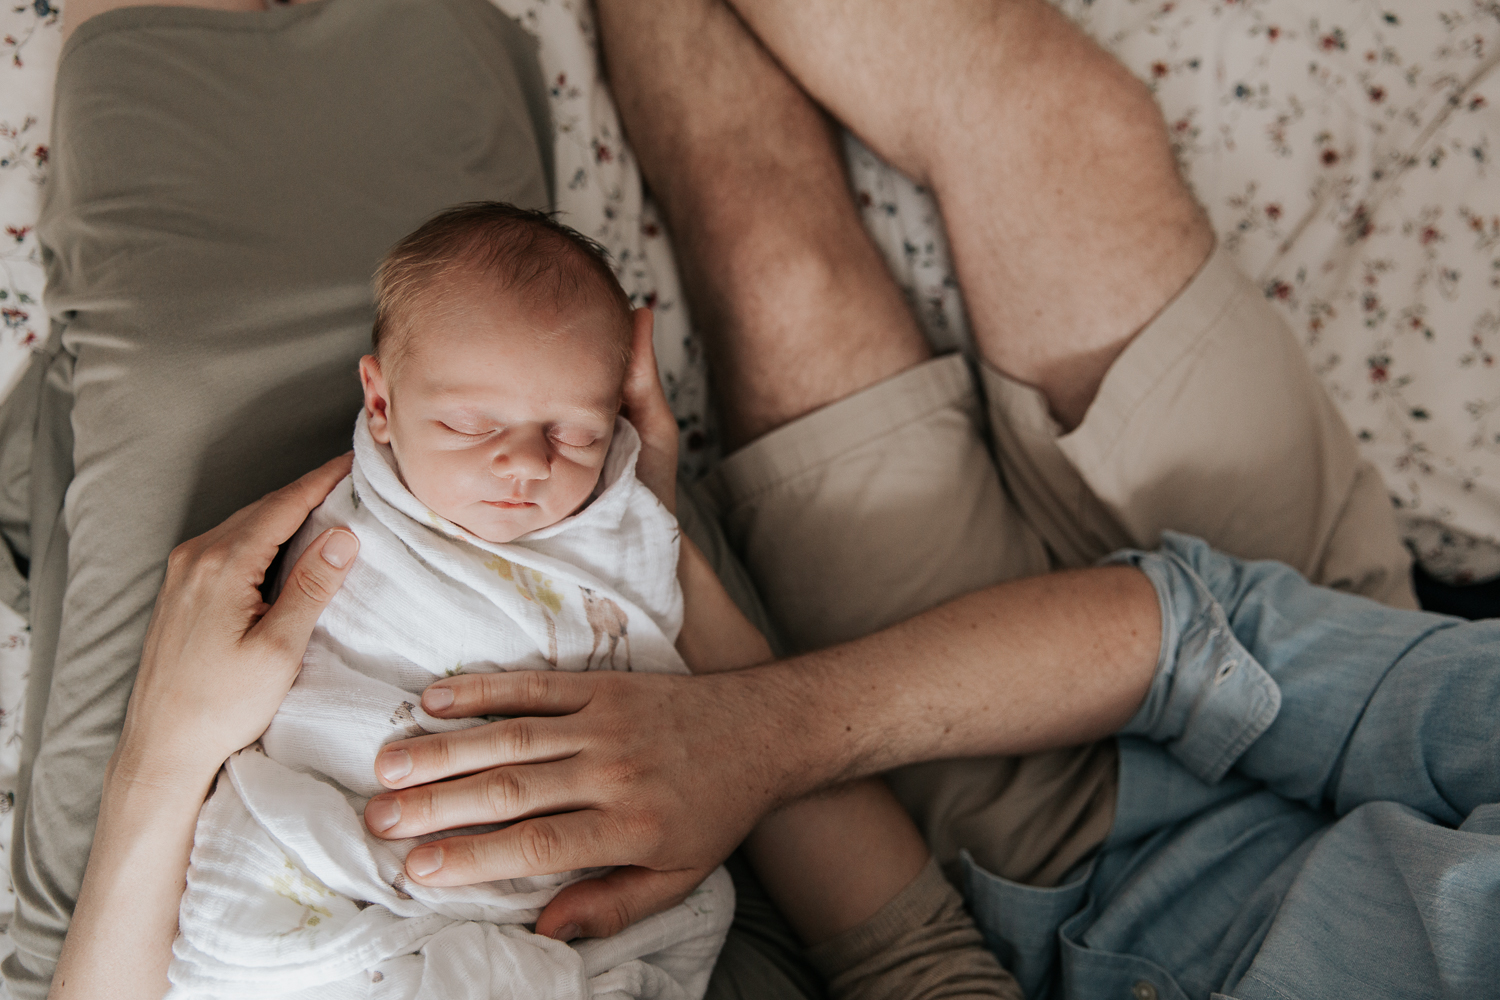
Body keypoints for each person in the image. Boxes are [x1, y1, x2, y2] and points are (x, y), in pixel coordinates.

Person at [12, 0, 1441, 997]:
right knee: (978, 166)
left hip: (966, 895)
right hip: (1216, 703)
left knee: (197, 355)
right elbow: (1208, 639)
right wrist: (643, 556)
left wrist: (165, 751)